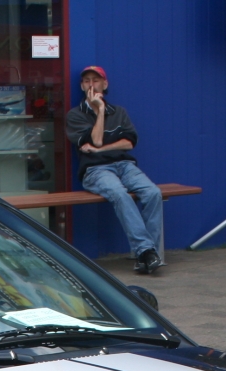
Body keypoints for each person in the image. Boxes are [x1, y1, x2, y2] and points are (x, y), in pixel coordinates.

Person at [65, 65, 164, 275]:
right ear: (82, 86)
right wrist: (99, 110)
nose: (92, 85)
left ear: (105, 84)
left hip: (125, 165)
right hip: (95, 170)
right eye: (87, 81)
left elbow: (128, 144)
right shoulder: (75, 115)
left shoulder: (119, 112)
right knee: (119, 194)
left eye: (96, 80)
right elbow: (97, 138)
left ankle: (146, 255)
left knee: (153, 193)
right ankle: (146, 252)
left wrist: (101, 148)